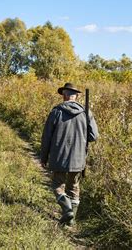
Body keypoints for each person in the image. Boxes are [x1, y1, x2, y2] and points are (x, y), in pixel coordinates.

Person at [40, 83, 99, 226]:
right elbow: (94, 136)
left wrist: (43, 157)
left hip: (59, 156)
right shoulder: (86, 113)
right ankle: (70, 222)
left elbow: (46, 137)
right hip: (78, 157)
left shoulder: (56, 112)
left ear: (64, 96)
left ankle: (67, 210)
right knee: (74, 187)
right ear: (76, 96)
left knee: (57, 184)